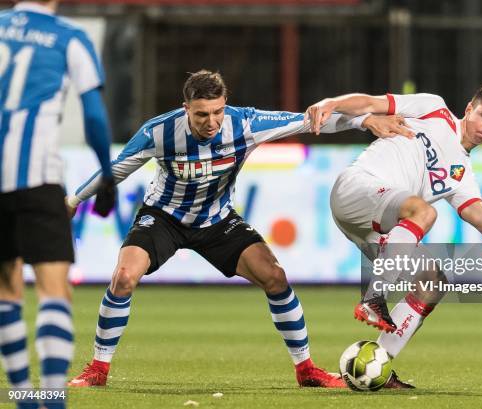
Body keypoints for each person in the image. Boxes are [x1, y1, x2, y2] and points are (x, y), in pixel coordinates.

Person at [65, 69, 409, 389]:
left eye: (217, 112)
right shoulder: (159, 131)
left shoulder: (245, 123)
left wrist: (365, 120)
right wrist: (73, 200)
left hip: (217, 221)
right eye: (201, 114)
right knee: (123, 277)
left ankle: (306, 371)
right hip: (163, 217)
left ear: (224, 105)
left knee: (274, 276)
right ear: (185, 108)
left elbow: (310, 120)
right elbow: (116, 169)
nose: (211, 122)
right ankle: (97, 370)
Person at [307, 84, 482, 388]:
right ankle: (374, 297)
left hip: (374, 223)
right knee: (423, 212)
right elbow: (371, 103)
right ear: (468, 109)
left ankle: (380, 365)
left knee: (432, 282)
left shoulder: (462, 173)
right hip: (359, 186)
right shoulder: (433, 108)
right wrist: (332, 101)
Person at [0, 1, 115, 408]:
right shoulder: (69, 38)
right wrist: (105, 173)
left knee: (6, 290)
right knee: (53, 290)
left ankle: (22, 398)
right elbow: (94, 115)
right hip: (37, 177)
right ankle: (52, 398)